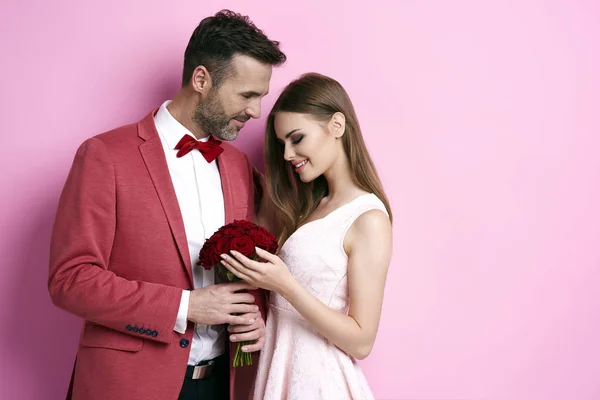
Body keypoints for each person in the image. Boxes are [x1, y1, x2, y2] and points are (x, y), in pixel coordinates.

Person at [48, 10, 286, 400]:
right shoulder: (104, 156)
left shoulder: (239, 166)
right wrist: (185, 306)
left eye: (261, 96)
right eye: (247, 95)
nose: (256, 112)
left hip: (220, 384)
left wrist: (254, 314)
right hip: (129, 385)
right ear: (201, 79)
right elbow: (71, 280)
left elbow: (246, 268)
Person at [221, 72, 394, 399]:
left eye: (297, 138)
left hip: (319, 383)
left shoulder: (368, 218)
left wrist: (285, 285)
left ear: (337, 126)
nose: (287, 154)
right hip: (278, 373)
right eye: (282, 143)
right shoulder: (305, 206)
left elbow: (361, 341)